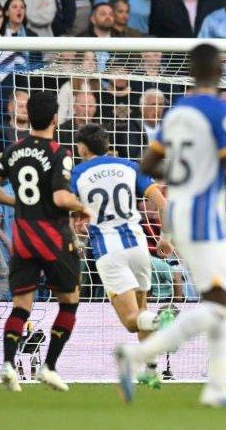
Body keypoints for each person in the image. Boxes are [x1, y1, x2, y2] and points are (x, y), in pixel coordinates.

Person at [116, 43, 226, 408]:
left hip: (179, 212)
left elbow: (148, 165)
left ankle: (216, 386)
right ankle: (136, 356)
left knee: (222, 299)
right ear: (218, 72)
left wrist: (184, 174)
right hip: (204, 215)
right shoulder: (220, 111)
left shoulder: (175, 114)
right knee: (222, 300)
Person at [0, 91, 89, 393]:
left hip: (23, 237)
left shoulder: (13, 150)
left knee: (21, 307)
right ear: (55, 118)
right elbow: (60, 197)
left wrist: (16, 203)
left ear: (28, 116)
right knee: (69, 302)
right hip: (53, 238)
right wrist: (82, 207)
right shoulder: (59, 152)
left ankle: (7, 364)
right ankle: (50, 367)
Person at [71, 123, 174, 386]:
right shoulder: (130, 166)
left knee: (131, 321)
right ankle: (151, 372)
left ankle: (164, 321)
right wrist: (165, 238)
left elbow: (64, 212)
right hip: (138, 247)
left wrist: (74, 240)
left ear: (82, 147)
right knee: (141, 309)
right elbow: (163, 203)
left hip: (109, 251)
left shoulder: (77, 174)